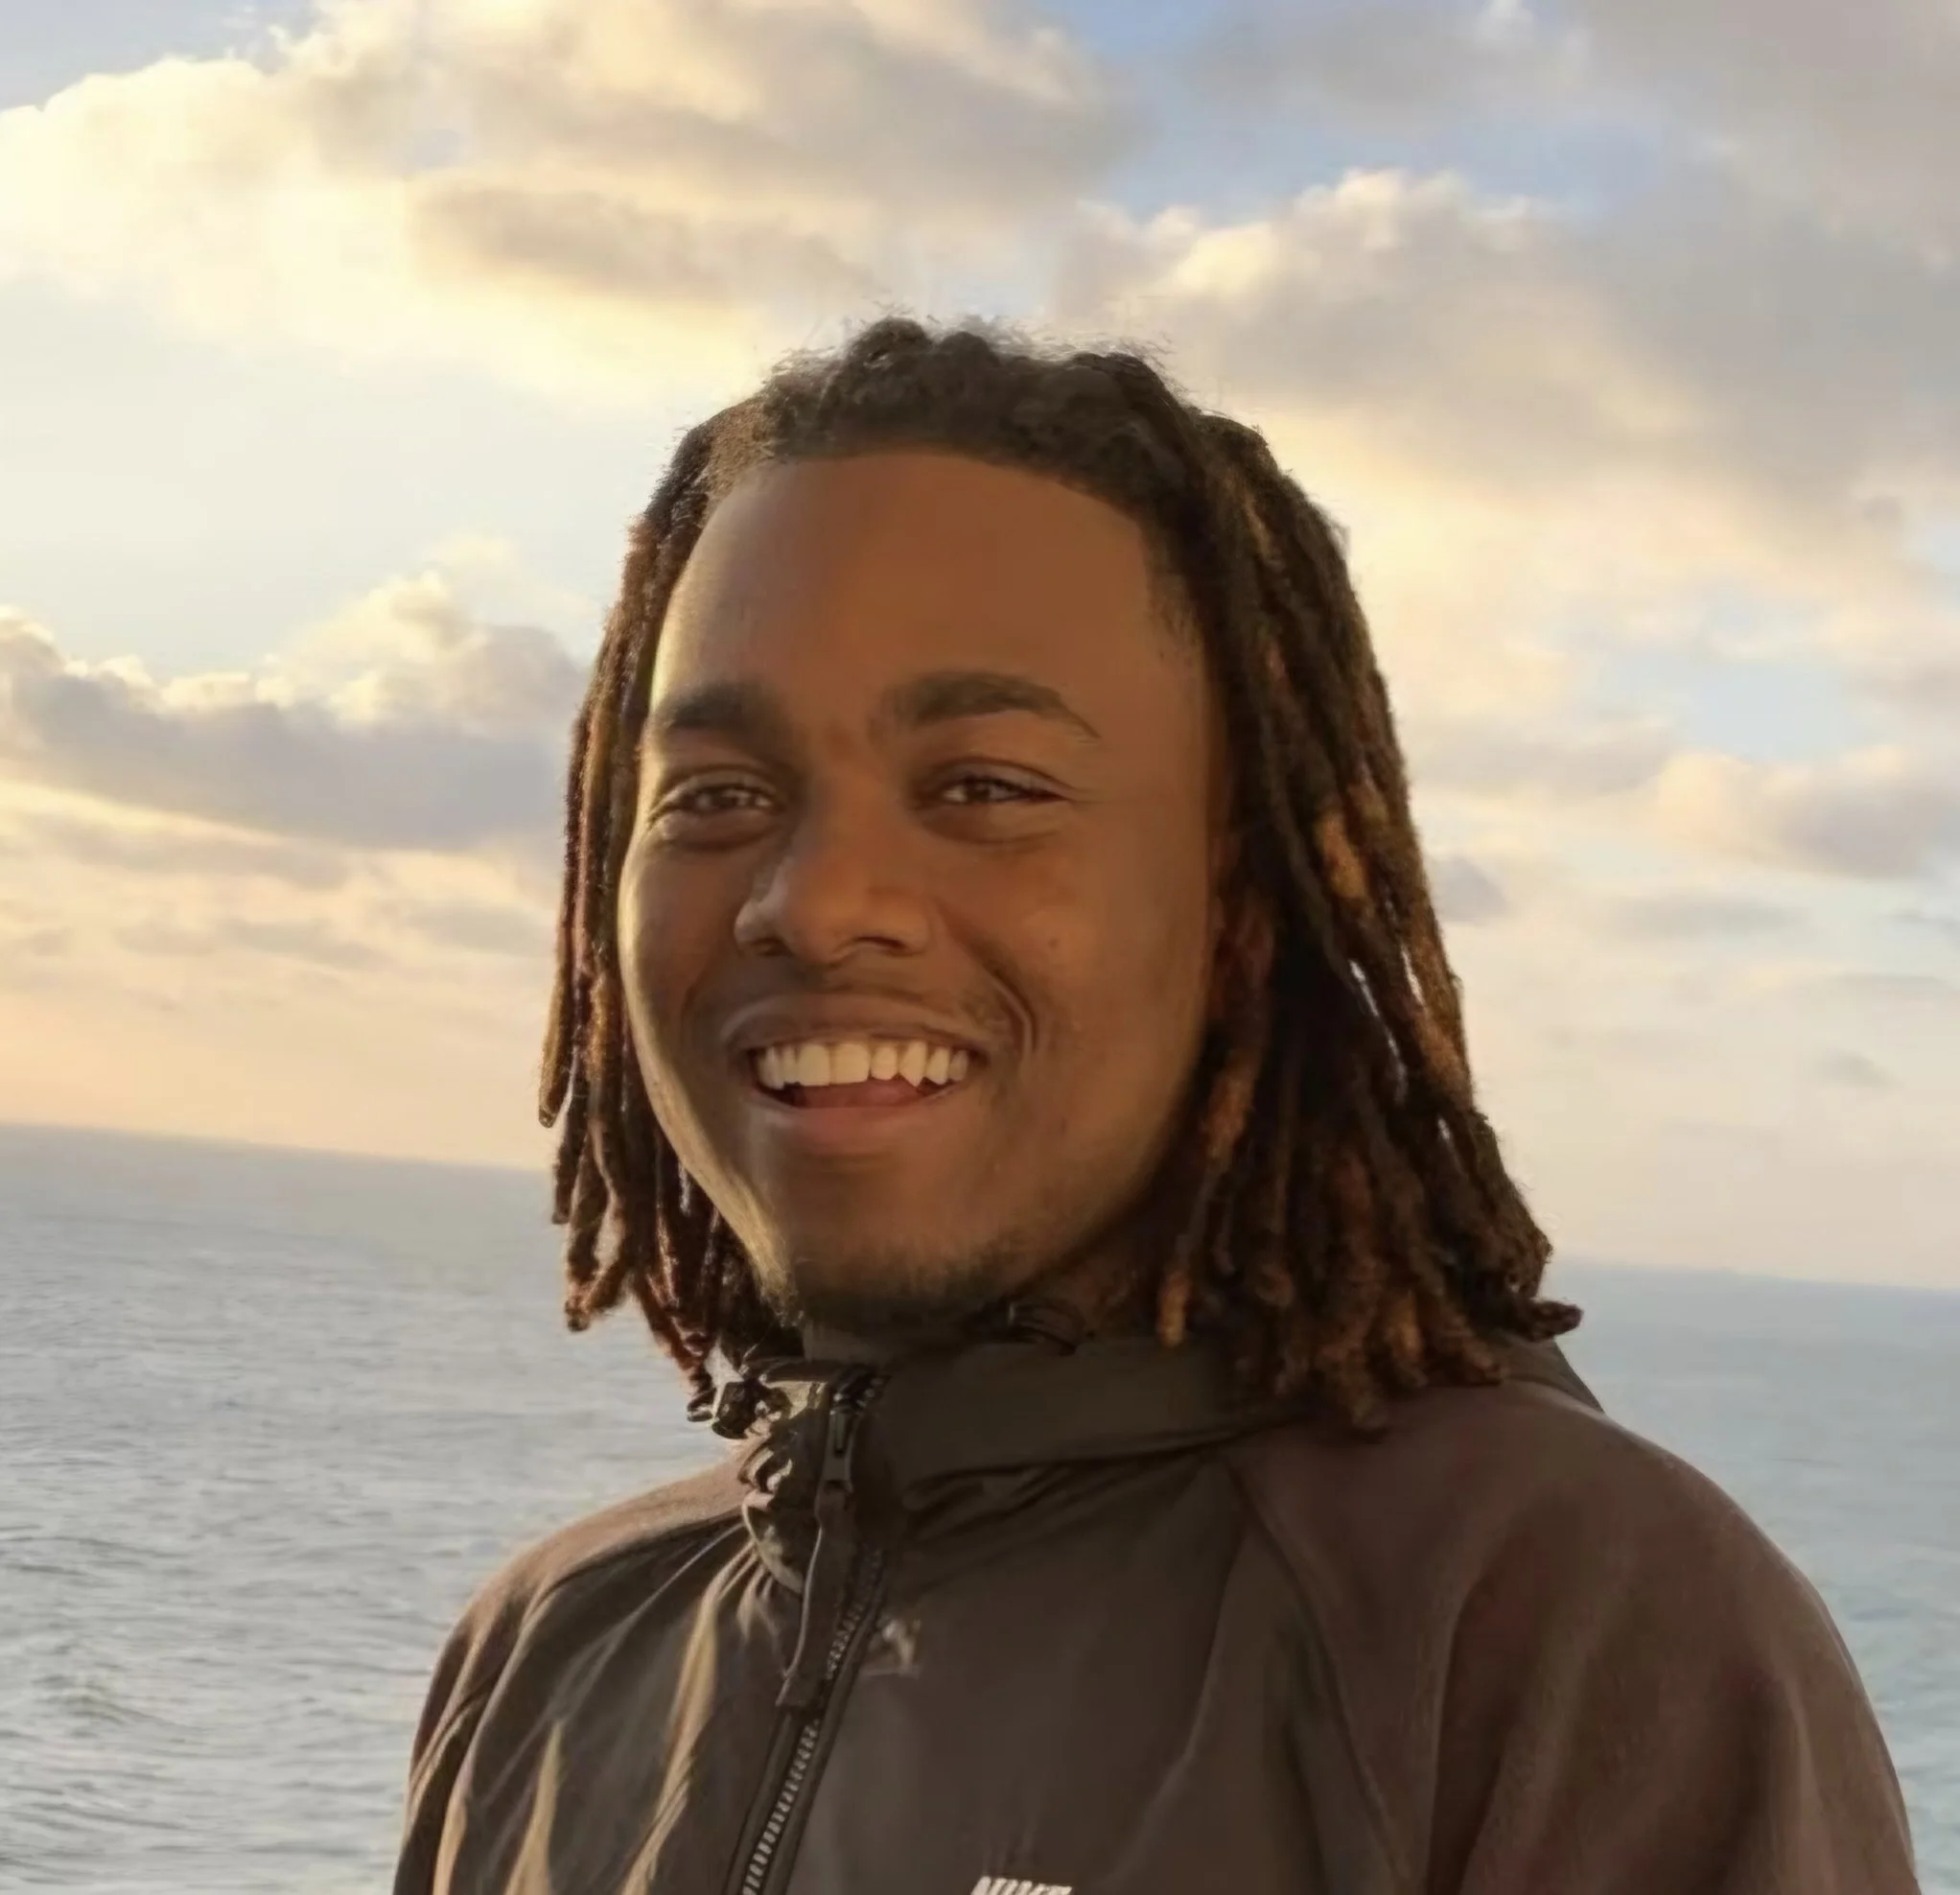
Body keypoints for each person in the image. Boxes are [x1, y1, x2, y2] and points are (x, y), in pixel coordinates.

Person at [391, 316, 1922, 1895]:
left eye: (985, 788)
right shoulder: (550, 1662)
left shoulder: (1552, 1619)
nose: (818, 899)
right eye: (717, 797)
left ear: (1241, 894)